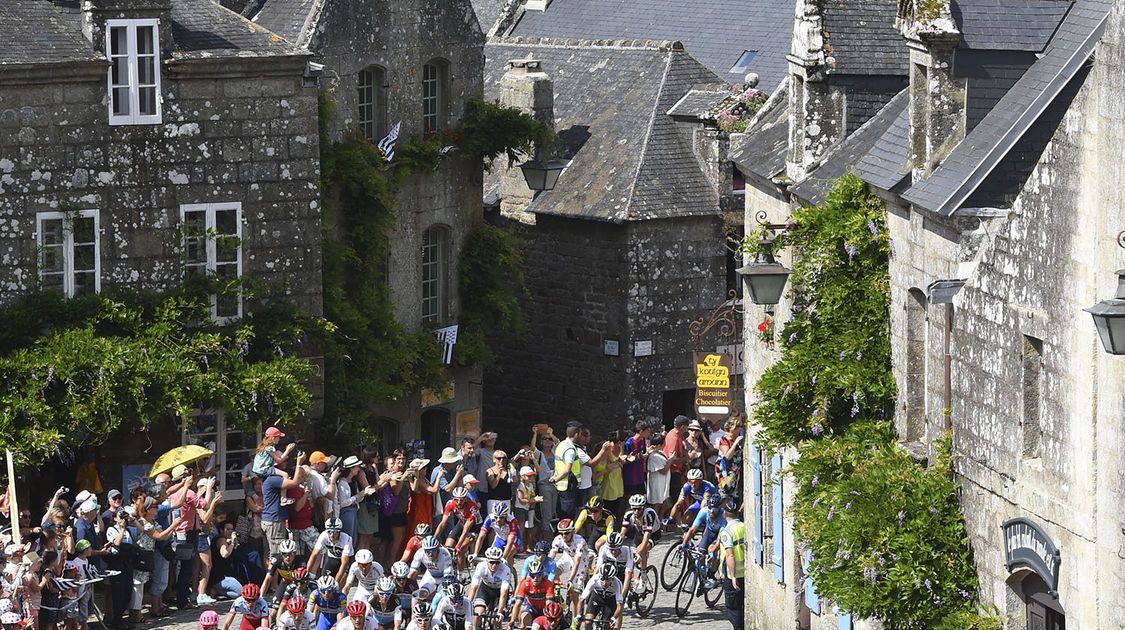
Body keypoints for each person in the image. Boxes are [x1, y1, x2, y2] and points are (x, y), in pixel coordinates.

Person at [169, 465, 215, 610]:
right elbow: (204, 504)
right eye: (188, 474)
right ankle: (182, 601)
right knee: (186, 569)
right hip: (188, 534)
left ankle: (179, 597)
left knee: (181, 567)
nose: (191, 476)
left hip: (179, 533)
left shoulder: (173, 493)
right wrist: (208, 489)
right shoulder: (187, 493)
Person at [262, 455, 309, 560]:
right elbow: (294, 482)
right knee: (277, 555)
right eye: (284, 461)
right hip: (274, 521)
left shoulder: (272, 479)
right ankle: (272, 576)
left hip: (272, 520)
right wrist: (299, 463)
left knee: (271, 553)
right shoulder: (274, 479)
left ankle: (272, 575)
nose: (286, 463)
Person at [546, 519, 586, 623]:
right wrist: (544, 571)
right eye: (562, 533)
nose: (564, 535)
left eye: (567, 533)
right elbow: (551, 557)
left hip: (581, 561)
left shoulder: (579, 541)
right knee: (553, 573)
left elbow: (577, 562)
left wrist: (570, 580)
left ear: (573, 531)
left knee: (574, 592)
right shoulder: (558, 539)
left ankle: (575, 620)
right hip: (567, 557)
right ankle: (560, 599)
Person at [432, 490, 479, 571]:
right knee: (447, 549)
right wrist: (434, 538)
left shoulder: (472, 508)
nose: (459, 502)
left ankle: (460, 575)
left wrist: (458, 546)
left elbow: (465, 531)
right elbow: (443, 523)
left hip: (473, 527)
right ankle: (448, 570)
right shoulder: (450, 503)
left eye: (461, 500)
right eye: (456, 499)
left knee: (460, 550)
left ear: (465, 499)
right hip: (461, 523)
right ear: (453, 499)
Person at [681, 495, 725, 581]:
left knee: (712, 550)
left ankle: (711, 575)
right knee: (700, 553)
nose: (712, 511)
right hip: (710, 532)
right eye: (710, 508)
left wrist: (714, 549)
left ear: (719, 508)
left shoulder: (723, 515)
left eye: (715, 509)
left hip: (720, 534)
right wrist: (683, 544)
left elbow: (720, 536)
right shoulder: (704, 511)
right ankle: (702, 576)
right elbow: (692, 529)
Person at [262, 539, 304, 626]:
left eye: (290, 554)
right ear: (281, 554)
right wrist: (260, 598)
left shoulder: (300, 561)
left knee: (297, 608)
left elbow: (303, 582)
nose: (287, 557)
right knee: (273, 611)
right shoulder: (277, 560)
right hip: (285, 582)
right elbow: (267, 579)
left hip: (297, 585)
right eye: (285, 555)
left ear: (295, 553)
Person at [467, 547, 509, 630]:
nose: (494, 565)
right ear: (487, 561)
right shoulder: (481, 566)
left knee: (497, 621)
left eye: (497, 562)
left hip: (499, 592)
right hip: (486, 589)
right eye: (492, 562)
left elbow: (503, 594)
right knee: (477, 614)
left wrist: (500, 612)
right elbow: (473, 587)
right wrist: (467, 604)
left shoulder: (505, 569)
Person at [719, 500, 744, 630]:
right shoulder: (744, 526)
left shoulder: (727, 532)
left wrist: (733, 576)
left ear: (725, 514)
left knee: (734, 608)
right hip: (746, 573)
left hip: (734, 575)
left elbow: (730, 555)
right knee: (742, 606)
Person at [307, 518, 353, 586]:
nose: (332, 535)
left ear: (340, 531)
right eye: (329, 531)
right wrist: (307, 573)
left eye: (335, 532)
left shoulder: (346, 539)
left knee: (340, 582)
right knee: (324, 582)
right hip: (332, 559)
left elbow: (344, 563)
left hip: (345, 560)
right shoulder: (323, 535)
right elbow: (314, 554)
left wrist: (336, 582)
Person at [471, 502, 519, 567]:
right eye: (496, 517)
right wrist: (475, 554)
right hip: (500, 538)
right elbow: (481, 537)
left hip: (513, 539)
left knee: (508, 556)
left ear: (506, 516)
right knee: (492, 557)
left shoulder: (512, 521)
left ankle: (508, 573)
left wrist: (504, 558)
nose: (498, 520)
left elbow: (510, 542)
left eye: (501, 517)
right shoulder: (489, 518)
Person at [530, 427, 557, 539]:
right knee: (546, 513)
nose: (547, 440)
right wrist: (535, 433)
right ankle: (546, 539)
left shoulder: (556, 452)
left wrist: (551, 433)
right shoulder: (539, 454)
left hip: (555, 485)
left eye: (549, 439)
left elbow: (558, 442)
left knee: (552, 512)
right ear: (541, 442)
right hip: (544, 485)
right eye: (545, 439)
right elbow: (532, 448)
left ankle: (547, 537)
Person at [620, 494, 660, 570]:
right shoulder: (628, 514)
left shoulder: (649, 514)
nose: (636, 511)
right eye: (634, 509)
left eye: (639, 509)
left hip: (653, 534)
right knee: (631, 557)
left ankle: (643, 574)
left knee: (641, 551)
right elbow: (622, 534)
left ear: (643, 507)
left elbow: (647, 537)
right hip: (639, 533)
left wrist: (640, 553)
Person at [511, 557, 553, 629]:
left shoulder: (547, 584)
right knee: (524, 618)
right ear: (529, 575)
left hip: (544, 608)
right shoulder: (525, 583)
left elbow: (549, 603)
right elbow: (517, 604)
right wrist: (512, 621)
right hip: (531, 607)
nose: (535, 578)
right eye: (532, 576)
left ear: (542, 574)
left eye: (538, 575)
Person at [406, 537, 453, 601]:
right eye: (427, 551)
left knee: (441, 598)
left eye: (433, 550)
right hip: (430, 575)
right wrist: (406, 585)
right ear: (424, 549)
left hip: (444, 577)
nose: (430, 554)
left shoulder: (445, 554)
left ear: (437, 548)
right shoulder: (420, 553)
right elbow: (412, 572)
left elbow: (447, 576)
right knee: (419, 594)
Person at [579, 564, 622, 630]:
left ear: (613, 578)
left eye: (608, 580)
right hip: (596, 597)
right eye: (602, 579)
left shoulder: (617, 583)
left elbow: (619, 605)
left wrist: (614, 617)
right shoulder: (594, 580)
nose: (604, 583)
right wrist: (578, 614)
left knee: (606, 626)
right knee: (588, 622)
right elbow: (581, 599)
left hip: (610, 600)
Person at [662, 417, 692, 510]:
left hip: (676, 470)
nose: (688, 428)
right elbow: (672, 459)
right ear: (682, 426)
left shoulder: (677, 434)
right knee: (676, 497)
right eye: (687, 426)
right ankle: (673, 519)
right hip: (673, 471)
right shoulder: (673, 438)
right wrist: (685, 459)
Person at [592, 532, 632, 601]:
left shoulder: (627, 551)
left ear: (621, 546)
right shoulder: (604, 549)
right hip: (609, 572)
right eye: (611, 550)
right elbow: (597, 568)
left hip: (622, 573)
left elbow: (628, 575)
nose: (613, 552)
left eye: (616, 549)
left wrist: (622, 595)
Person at [513, 467, 541, 552]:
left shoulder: (531, 485)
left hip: (526, 508)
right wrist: (533, 500)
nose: (531, 477)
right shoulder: (520, 486)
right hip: (519, 508)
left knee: (525, 528)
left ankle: (524, 546)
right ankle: (518, 546)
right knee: (521, 528)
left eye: (531, 475)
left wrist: (535, 498)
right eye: (529, 476)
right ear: (523, 476)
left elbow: (532, 496)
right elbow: (521, 500)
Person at [621, 422, 649, 505]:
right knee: (629, 499)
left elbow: (642, 453)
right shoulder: (629, 443)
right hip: (630, 477)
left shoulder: (642, 440)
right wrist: (630, 458)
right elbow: (624, 458)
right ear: (641, 431)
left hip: (640, 475)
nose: (648, 434)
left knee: (641, 498)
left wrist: (644, 455)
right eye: (647, 431)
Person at [644, 434, 671, 521]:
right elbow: (663, 471)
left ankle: (659, 524)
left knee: (664, 502)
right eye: (663, 444)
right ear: (659, 445)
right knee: (657, 504)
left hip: (664, 483)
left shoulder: (661, 453)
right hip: (656, 483)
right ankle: (653, 525)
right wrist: (671, 460)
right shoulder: (653, 456)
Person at [483, 451, 512, 519]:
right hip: (494, 501)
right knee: (493, 522)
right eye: (499, 458)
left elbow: (515, 480)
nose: (501, 460)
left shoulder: (509, 470)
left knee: (506, 523)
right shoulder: (490, 471)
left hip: (506, 500)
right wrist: (499, 474)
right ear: (494, 459)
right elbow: (493, 486)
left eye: (504, 458)